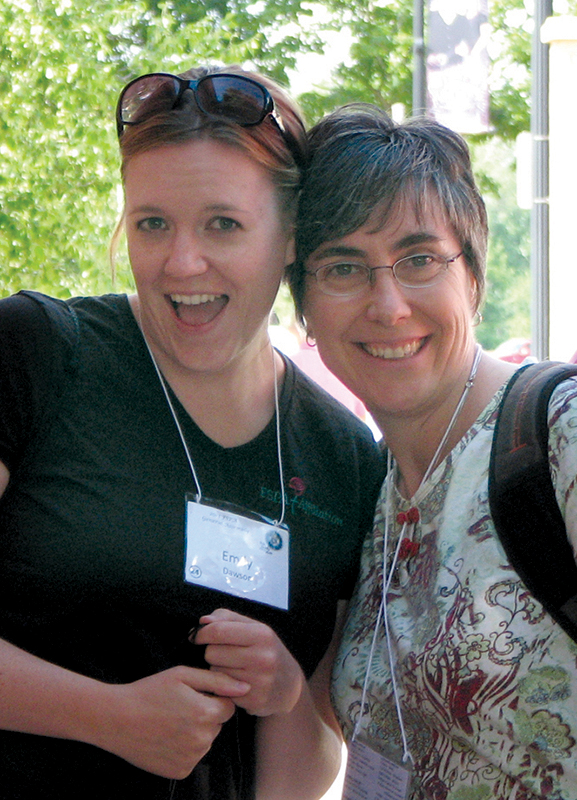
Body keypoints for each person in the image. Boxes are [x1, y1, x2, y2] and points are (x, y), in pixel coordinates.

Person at [0, 71, 384, 800]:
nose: (182, 263)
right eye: (152, 223)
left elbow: (304, 769)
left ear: (292, 236)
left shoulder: (344, 456)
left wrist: (283, 696)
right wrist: (106, 715)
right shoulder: (37, 353)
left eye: (222, 224)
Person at [288, 104, 577, 799]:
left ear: (472, 275)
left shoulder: (557, 435)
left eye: (418, 258)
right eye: (343, 267)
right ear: (302, 302)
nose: (386, 304)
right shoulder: (365, 491)